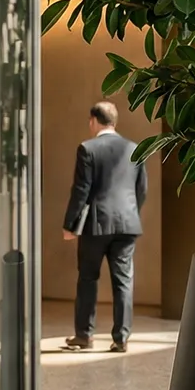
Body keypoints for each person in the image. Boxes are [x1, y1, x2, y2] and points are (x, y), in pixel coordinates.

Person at [62, 101, 148, 352]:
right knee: (123, 281)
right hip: (127, 224)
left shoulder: (87, 149)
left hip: (96, 224)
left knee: (88, 278)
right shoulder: (134, 148)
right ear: (115, 122)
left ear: (93, 121)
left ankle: (84, 336)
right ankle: (121, 338)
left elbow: (81, 190)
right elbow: (141, 189)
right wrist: (131, 214)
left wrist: (70, 225)